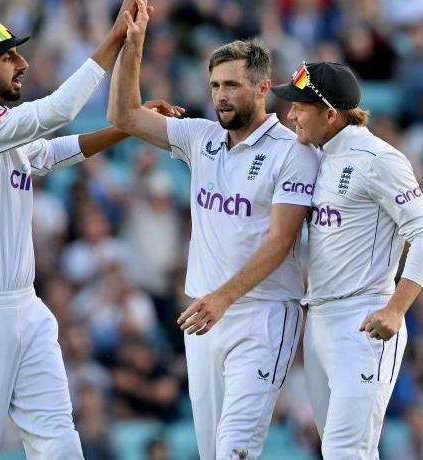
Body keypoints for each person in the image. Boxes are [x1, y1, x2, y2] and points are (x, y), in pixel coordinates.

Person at [0, 3, 181, 458]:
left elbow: (50, 152)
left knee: (61, 445)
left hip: (24, 309)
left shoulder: (1, 132)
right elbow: (59, 112)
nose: (22, 64)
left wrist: (128, 126)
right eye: (8, 58)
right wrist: (115, 37)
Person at [108, 2, 319, 458]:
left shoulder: (292, 153)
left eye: (233, 86)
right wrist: (135, 43)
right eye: (215, 85)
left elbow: (281, 241)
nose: (221, 96)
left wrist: (224, 297)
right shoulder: (201, 137)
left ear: (263, 88)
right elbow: (123, 116)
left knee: (235, 450)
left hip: (261, 315)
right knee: (211, 451)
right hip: (203, 315)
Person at [271, 61, 423, 458]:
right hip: (320, 323)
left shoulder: (378, 158)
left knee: (348, 450)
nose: (291, 114)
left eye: (300, 106)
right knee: (337, 451)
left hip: (363, 322)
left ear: (330, 114)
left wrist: (396, 309)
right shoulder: (318, 156)